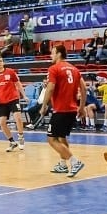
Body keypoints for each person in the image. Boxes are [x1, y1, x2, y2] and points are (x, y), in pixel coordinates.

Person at [38, 45, 86, 178]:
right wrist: (81, 107)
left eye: (52, 53)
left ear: (59, 54)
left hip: (60, 109)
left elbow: (51, 88)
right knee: (61, 137)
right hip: (71, 109)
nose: (50, 56)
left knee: (51, 139)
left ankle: (74, 162)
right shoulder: (75, 69)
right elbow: (83, 89)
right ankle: (63, 164)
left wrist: (44, 105)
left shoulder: (54, 68)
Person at [0, 56, 26, 151]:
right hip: (2, 102)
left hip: (13, 99)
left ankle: (21, 138)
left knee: (18, 118)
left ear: (3, 62)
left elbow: (18, 84)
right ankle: (12, 142)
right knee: (2, 122)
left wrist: (24, 95)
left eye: (1, 61)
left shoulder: (10, 72)